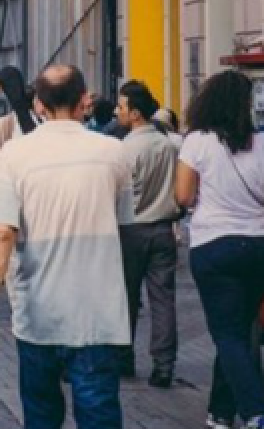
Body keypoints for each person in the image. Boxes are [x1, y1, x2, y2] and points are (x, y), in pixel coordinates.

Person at [0, 65, 132, 429]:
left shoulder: (14, 155)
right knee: (99, 414)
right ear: (84, 101)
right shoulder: (113, 152)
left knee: (42, 416)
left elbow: (1, 233)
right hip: (98, 314)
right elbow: (125, 226)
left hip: (38, 313)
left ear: (40, 105)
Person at [175, 71, 264, 429]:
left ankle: (256, 410)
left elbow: (182, 196)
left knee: (227, 334)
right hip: (258, 244)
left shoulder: (197, 141)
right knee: (239, 332)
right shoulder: (261, 142)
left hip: (214, 245)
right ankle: (220, 412)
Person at [112, 80, 181, 387]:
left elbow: (117, 193)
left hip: (131, 229)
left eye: (121, 107)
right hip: (164, 227)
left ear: (135, 113)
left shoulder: (126, 149)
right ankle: (164, 365)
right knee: (163, 299)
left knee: (126, 297)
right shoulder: (169, 145)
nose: (117, 111)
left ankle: (124, 358)